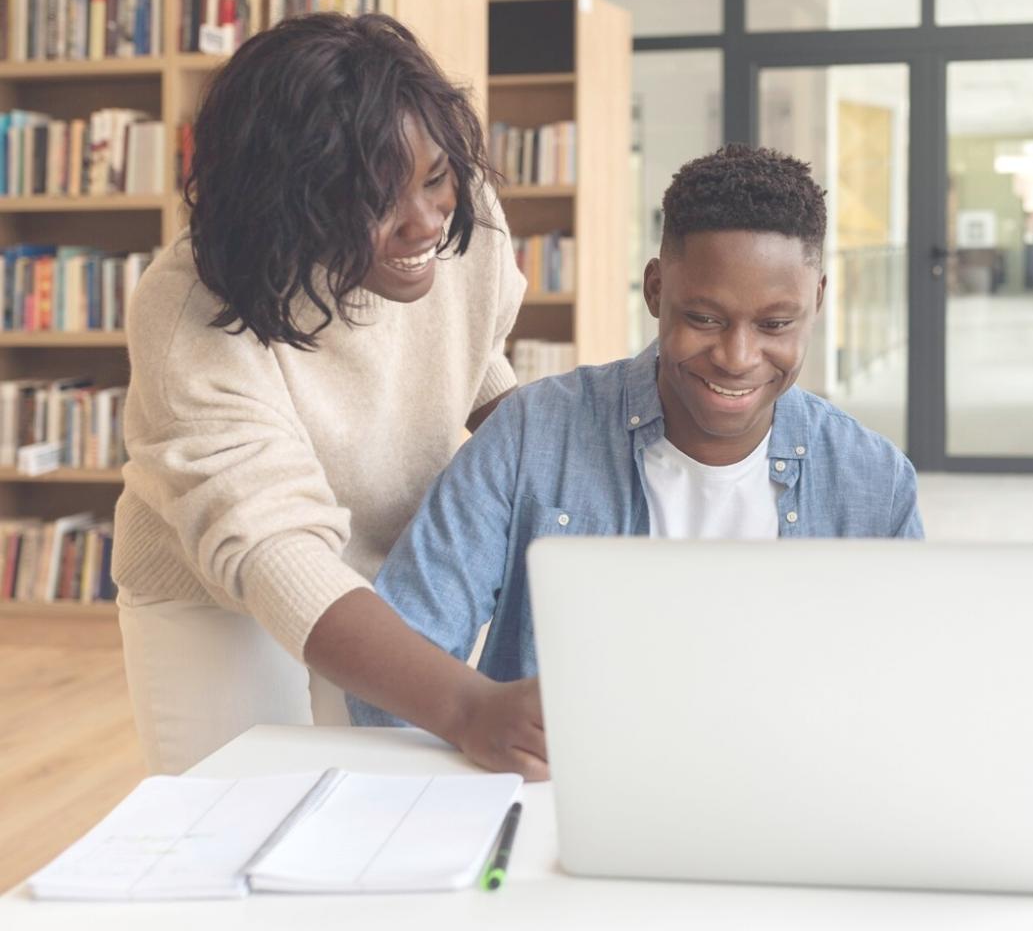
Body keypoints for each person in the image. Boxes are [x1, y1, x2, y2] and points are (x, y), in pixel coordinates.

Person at [348, 145, 924, 778]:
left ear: (817, 300)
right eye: (704, 318)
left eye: (775, 324)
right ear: (655, 289)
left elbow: (908, 704)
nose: (737, 356)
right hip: (560, 808)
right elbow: (395, 671)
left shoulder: (873, 482)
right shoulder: (530, 437)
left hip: (793, 801)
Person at [114, 12, 532, 774]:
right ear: (286, 203)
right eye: (376, 200)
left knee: (380, 812)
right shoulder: (188, 315)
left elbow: (473, 363)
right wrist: (467, 706)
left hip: (390, 573)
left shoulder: (461, 216)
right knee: (232, 826)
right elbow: (272, 547)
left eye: (437, 176)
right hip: (217, 595)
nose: (425, 222)